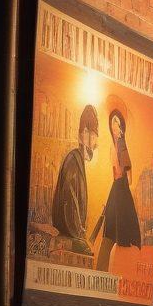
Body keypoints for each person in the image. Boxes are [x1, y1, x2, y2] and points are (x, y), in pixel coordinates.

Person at [94, 106, 142, 271]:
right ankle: (101, 272)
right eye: (114, 121)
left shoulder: (121, 145)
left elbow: (129, 178)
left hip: (121, 190)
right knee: (109, 235)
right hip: (116, 190)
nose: (116, 125)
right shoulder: (112, 147)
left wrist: (122, 146)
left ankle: (105, 273)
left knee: (117, 235)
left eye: (118, 122)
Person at [51, 105, 99, 256]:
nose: (90, 139)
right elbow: (69, 199)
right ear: (80, 135)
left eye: (93, 134)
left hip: (74, 232)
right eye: (85, 132)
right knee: (87, 251)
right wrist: (79, 233)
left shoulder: (78, 160)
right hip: (70, 233)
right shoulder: (74, 159)